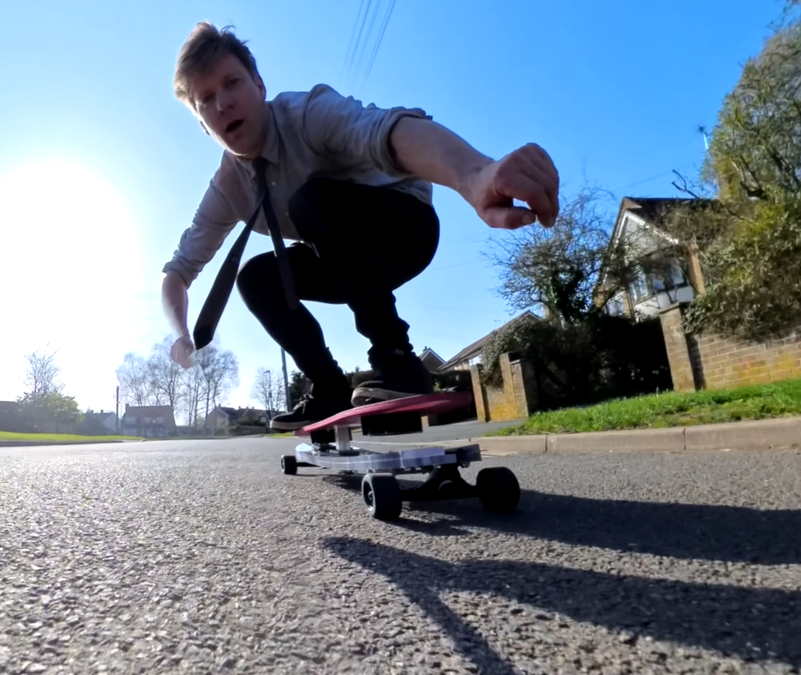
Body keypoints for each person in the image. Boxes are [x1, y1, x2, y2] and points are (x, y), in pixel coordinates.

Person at [160, 22, 560, 431]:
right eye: (206, 99)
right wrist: (179, 334)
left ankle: (398, 360)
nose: (223, 103)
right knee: (256, 278)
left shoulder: (306, 113)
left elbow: (385, 131)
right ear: (202, 123)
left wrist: (474, 173)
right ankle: (329, 388)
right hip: (343, 264)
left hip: (404, 229)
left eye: (232, 84)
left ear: (259, 86)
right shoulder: (226, 188)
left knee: (310, 200)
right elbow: (178, 273)